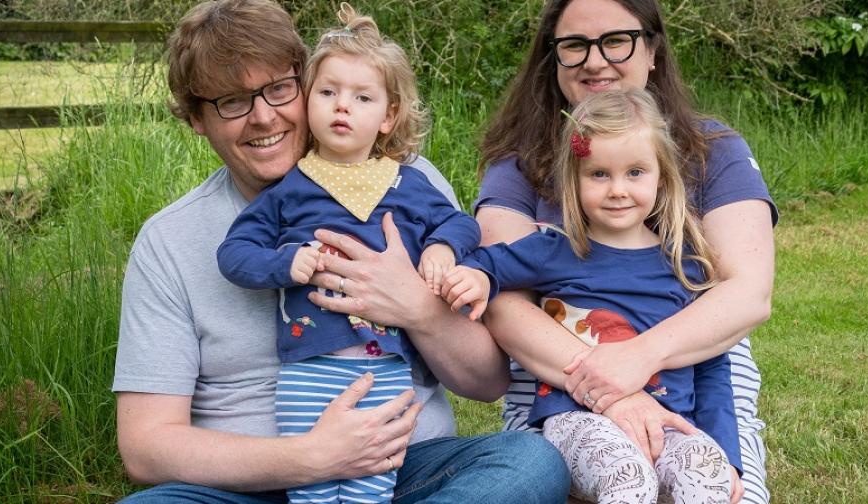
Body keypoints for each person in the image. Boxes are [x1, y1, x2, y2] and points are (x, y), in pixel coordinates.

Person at [111, 0, 570, 502]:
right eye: (231, 101)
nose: (264, 117)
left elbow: (487, 382)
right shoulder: (169, 241)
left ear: (303, 84)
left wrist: (417, 306)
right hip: (249, 484)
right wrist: (309, 457)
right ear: (197, 118)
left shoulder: (408, 184)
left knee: (530, 463)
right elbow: (146, 447)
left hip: (407, 471)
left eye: (278, 89)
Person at [475, 1, 777, 503]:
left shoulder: (713, 150)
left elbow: (746, 294)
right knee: (608, 479)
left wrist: (639, 359)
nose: (595, 61)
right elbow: (503, 301)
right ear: (553, 59)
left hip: (689, 369)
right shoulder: (520, 163)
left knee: (716, 485)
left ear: (653, 50)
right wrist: (613, 393)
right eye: (574, 46)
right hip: (556, 381)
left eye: (616, 40)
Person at [215, 4, 481, 502]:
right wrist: (283, 264)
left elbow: (461, 222)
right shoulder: (290, 190)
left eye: (362, 97)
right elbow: (234, 252)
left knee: (373, 487)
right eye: (329, 92)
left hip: (387, 369)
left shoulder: (407, 182)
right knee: (312, 489)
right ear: (307, 103)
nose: (343, 106)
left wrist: (443, 247)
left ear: (388, 117)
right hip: (308, 368)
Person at [444, 89, 742, 503]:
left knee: (708, 475)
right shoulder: (553, 249)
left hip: (668, 422)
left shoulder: (685, 266)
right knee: (629, 478)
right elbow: (490, 264)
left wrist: (727, 455)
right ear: (574, 180)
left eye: (636, 172)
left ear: (662, 176)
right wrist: (475, 278)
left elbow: (711, 369)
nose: (618, 189)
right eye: (599, 174)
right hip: (576, 420)